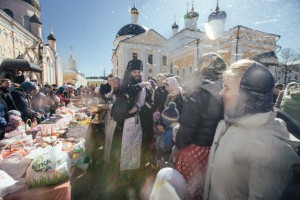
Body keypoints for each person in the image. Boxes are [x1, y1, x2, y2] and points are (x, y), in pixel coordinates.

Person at [203, 59, 300, 200]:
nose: (221, 93)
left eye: (227, 88)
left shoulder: (269, 146)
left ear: (248, 95)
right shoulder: (227, 123)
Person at [175, 53, 226, 200]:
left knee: (188, 187)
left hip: (195, 148)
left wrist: (178, 146)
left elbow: (187, 127)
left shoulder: (198, 93)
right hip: (215, 148)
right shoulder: (225, 92)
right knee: (204, 187)